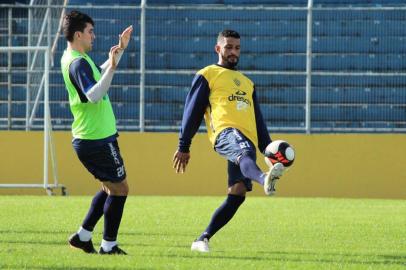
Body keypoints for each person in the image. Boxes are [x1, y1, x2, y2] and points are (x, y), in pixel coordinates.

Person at [172, 29, 286, 253]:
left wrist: (269, 150)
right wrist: (184, 145)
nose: (233, 52)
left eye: (237, 48)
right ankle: (264, 180)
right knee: (244, 154)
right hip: (226, 133)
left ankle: (202, 239)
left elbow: (258, 121)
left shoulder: (247, 83)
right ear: (218, 49)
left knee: (237, 193)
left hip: (248, 138)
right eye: (228, 47)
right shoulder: (208, 74)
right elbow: (192, 111)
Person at [61, 10, 133, 255]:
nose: (94, 36)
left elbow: (96, 76)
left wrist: (118, 52)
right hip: (96, 138)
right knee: (120, 188)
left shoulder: (74, 57)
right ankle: (109, 246)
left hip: (91, 136)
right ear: (78, 34)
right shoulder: (77, 62)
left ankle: (83, 236)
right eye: (90, 32)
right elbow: (94, 95)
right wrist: (112, 68)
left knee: (108, 187)